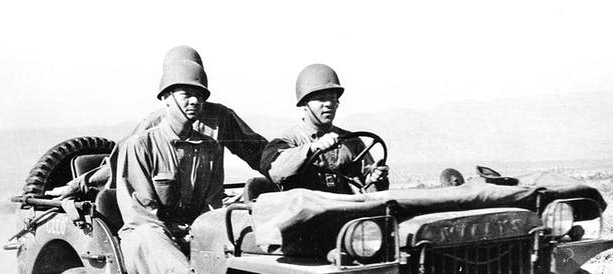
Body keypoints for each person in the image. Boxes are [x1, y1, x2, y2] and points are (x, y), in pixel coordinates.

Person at [48, 46, 266, 198]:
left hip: (203, 205)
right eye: (183, 91)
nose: (192, 99)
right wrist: (78, 184)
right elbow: (119, 164)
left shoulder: (221, 118)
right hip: (163, 205)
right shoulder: (153, 124)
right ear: (167, 92)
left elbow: (258, 152)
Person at [116, 58, 222, 274]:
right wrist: (181, 234)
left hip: (193, 236)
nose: (195, 101)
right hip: (149, 240)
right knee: (148, 236)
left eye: (200, 96)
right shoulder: (141, 145)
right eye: (186, 94)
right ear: (166, 98)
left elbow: (214, 206)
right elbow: (141, 215)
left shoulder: (211, 148)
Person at [260, 64, 388, 194]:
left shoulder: (353, 142)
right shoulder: (287, 141)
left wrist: (374, 177)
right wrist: (312, 148)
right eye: (321, 99)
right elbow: (276, 171)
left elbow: (371, 188)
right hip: (309, 212)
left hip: (348, 209)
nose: (328, 104)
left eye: (332, 98)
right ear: (305, 103)